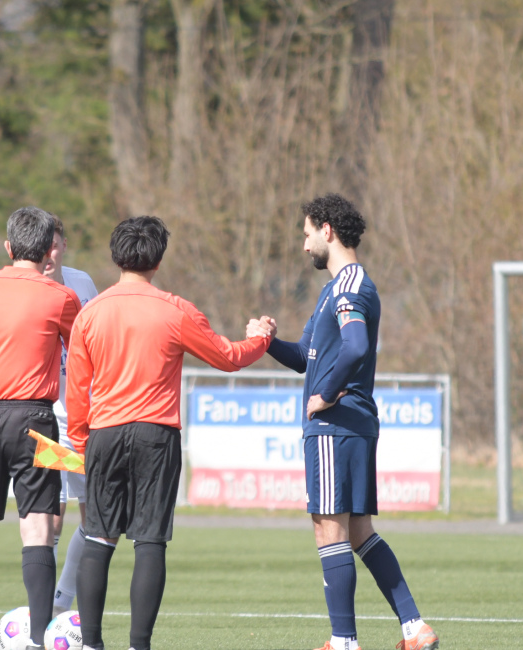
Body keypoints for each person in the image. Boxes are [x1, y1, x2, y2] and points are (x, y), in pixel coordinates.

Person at [65, 216, 271, 650]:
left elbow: (78, 391)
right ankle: (139, 645)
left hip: (104, 433)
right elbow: (227, 357)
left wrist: (82, 443)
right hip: (155, 435)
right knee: (150, 540)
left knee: (98, 538)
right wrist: (260, 339)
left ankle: (91, 643)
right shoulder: (175, 310)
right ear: (158, 260)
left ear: (115, 256)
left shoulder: (90, 314)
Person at [254, 194, 439, 650]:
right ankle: (414, 628)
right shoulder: (336, 288)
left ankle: (343, 642)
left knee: (329, 529)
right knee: (358, 532)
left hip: (335, 426)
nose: (304, 246)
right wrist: (269, 342)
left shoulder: (349, 287)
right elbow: (307, 356)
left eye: (307, 234)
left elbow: (355, 347)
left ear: (327, 230)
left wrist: (325, 393)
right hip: (351, 424)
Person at [0, 206, 81, 649]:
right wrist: (82, 423)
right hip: (36, 419)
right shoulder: (61, 297)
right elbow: (83, 362)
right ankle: (40, 639)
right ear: (47, 250)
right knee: (39, 528)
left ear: (8, 247)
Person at [41, 214, 100, 616]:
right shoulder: (27, 290)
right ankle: (44, 605)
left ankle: (62, 601)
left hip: (86, 420)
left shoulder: (83, 284)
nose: (49, 253)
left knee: (95, 515)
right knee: (52, 517)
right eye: (42, 245)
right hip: (46, 421)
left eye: (55, 244)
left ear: (63, 246)